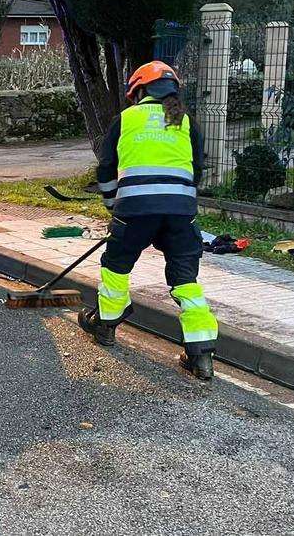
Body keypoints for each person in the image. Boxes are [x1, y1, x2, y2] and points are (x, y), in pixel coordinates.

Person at [92, 60, 218, 380]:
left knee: (117, 266)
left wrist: (112, 205)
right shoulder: (186, 121)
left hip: (134, 211)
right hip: (181, 212)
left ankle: (106, 326)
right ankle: (200, 354)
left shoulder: (126, 118)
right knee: (185, 279)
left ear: (138, 90)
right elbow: (197, 170)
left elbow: (107, 168)